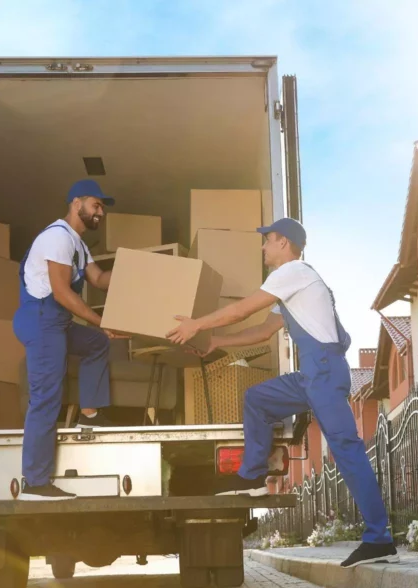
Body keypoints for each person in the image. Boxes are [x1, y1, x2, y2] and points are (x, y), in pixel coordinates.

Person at [167, 217, 398, 568]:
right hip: (311, 375)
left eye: (268, 240)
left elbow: (244, 309)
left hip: (322, 371)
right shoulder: (291, 285)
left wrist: (196, 324)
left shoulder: (295, 272)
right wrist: (216, 341)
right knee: (258, 399)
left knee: (347, 451)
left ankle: (379, 538)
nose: (263, 247)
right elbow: (263, 330)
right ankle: (253, 477)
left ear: (285, 244)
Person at [13, 179, 123, 501]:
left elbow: (100, 279)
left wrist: (137, 272)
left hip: (56, 323)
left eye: (102, 207)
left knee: (96, 344)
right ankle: (35, 481)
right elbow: (61, 293)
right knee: (46, 397)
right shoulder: (57, 238)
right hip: (41, 320)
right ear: (77, 203)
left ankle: (90, 413)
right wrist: (101, 321)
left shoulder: (79, 244)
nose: (100, 212)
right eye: (96, 205)